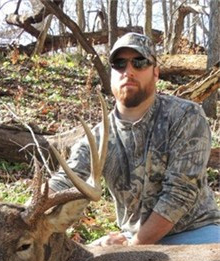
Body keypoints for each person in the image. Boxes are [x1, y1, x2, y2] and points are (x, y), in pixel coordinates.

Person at [49, 32, 220, 245]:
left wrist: (133, 247)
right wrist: (21, 214)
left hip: (195, 233)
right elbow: (67, 179)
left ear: (156, 72)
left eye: (139, 63)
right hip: (132, 238)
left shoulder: (186, 116)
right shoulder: (99, 136)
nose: (128, 71)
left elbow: (179, 193)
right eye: (119, 64)